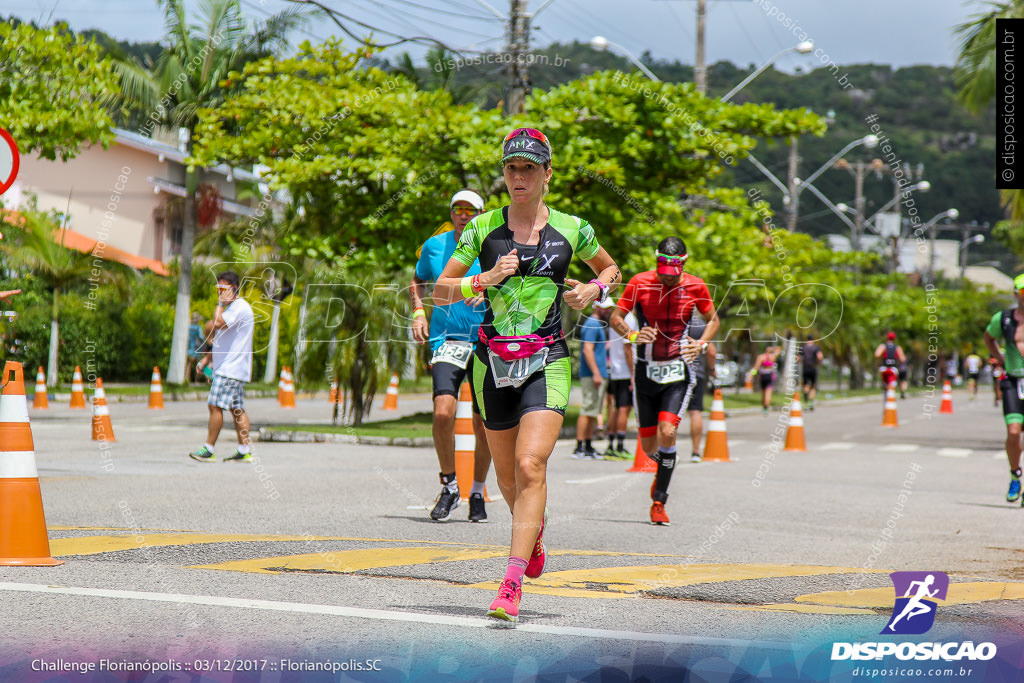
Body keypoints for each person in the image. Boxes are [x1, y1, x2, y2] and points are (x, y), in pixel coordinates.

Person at [435, 127, 619, 623]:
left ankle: (511, 583)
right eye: (511, 168)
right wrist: (485, 278)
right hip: (491, 363)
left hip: (548, 359)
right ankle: (531, 530)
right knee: (508, 478)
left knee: (531, 464)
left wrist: (593, 293)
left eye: (529, 169)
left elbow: (611, 270)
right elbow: (440, 291)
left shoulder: (572, 228)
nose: (518, 177)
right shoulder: (482, 230)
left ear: (546, 174)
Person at [610, 236, 719, 526]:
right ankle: (666, 464)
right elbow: (616, 317)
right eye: (663, 275)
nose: (667, 280)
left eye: (672, 276)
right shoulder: (639, 282)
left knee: (667, 432)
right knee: (649, 447)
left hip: (678, 370)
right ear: (656, 261)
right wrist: (632, 335)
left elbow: (713, 320)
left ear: (684, 264)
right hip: (646, 370)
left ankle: (659, 499)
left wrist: (702, 344)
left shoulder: (696, 285)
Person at [410, 189, 493, 522]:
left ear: (481, 214)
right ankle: (449, 486)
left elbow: (515, 284)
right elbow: (417, 281)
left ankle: (477, 491)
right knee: (443, 412)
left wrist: (488, 288)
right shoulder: (434, 246)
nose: (463, 214)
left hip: (488, 340)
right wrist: (418, 312)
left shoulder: (493, 247)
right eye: (458, 209)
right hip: (447, 340)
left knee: (483, 424)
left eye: (470, 210)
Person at [189, 271, 255, 463]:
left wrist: (219, 304)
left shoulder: (239, 307)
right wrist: (207, 360)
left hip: (230, 369)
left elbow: (216, 324)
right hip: (232, 368)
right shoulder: (234, 309)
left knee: (214, 405)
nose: (219, 293)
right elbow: (221, 340)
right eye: (217, 290)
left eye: (223, 289)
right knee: (237, 410)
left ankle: (209, 449)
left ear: (234, 289)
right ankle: (244, 450)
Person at [983, 273, 1024, 506]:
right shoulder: (1005, 319)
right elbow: (989, 338)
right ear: (1016, 294)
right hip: (1013, 381)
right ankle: (1015, 475)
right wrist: (998, 357)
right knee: (1014, 431)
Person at [573, 299, 613, 459]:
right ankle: (579, 447)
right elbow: (587, 351)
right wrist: (596, 373)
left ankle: (588, 446)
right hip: (592, 375)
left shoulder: (597, 324)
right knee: (588, 409)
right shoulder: (592, 323)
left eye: (610, 308)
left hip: (597, 374)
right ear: (596, 307)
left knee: (593, 411)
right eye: (605, 308)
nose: (608, 311)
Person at [603, 306, 637, 459]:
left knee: (615, 408)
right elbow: (627, 348)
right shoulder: (629, 319)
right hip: (624, 370)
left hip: (615, 370)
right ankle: (620, 447)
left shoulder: (615, 318)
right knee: (624, 408)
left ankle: (611, 445)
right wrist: (633, 373)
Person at [682, 315, 716, 463]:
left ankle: (668, 451)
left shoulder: (677, 320)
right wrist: (712, 369)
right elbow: (712, 352)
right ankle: (695, 452)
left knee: (672, 413)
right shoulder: (702, 325)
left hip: (677, 373)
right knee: (695, 412)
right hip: (697, 373)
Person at [752, 345, 780, 415]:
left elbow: (756, 367)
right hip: (770, 375)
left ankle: (764, 407)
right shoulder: (773, 356)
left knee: (764, 392)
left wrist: (751, 375)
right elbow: (779, 349)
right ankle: (766, 407)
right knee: (768, 392)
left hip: (763, 375)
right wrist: (773, 348)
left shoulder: (761, 357)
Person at [801, 334, 824, 411]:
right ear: (813, 339)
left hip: (805, 368)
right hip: (813, 368)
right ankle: (811, 402)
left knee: (805, 385)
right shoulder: (816, 348)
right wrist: (819, 363)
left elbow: (798, 358)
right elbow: (820, 356)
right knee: (813, 386)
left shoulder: (803, 347)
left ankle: (806, 402)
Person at [187, 312, 205, 384]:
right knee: (198, 365)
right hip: (197, 348)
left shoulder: (189, 327)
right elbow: (201, 337)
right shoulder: (198, 327)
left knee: (189, 364)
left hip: (189, 347)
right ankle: (196, 381)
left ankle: (186, 379)